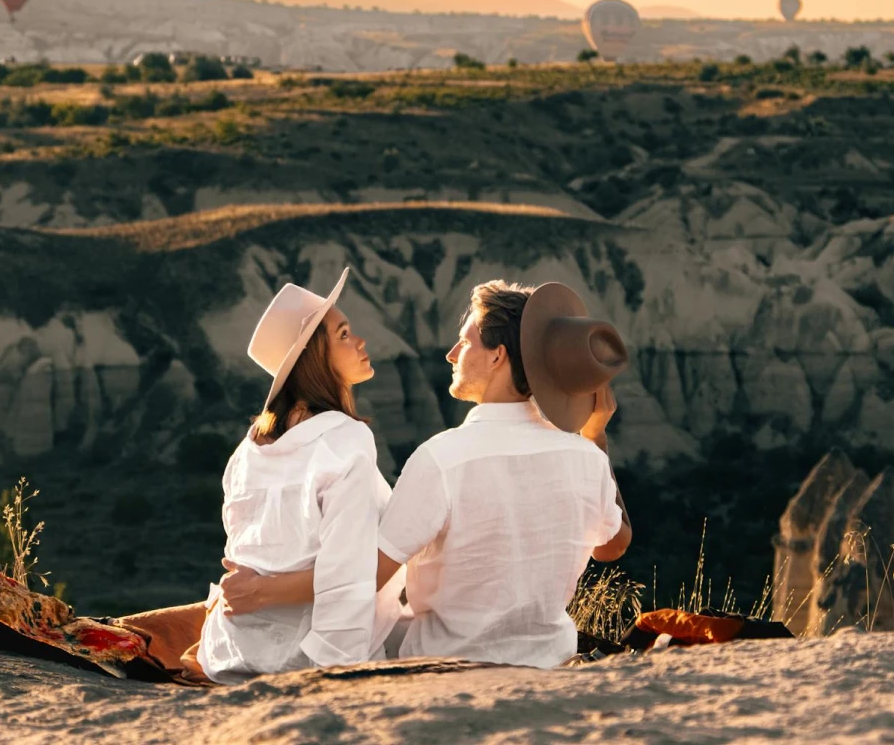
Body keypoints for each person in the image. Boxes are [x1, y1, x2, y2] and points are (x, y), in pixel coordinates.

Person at [120, 267, 403, 681]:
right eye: (343, 334)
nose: (360, 341)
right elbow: (346, 572)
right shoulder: (346, 439)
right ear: (313, 357)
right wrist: (337, 669)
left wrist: (264, 593)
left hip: (234, 648)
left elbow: (250, 563)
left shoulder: (248, 450)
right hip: (307, 653)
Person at [372, 279, 631, 667]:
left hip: (446, 672)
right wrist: (596, 437)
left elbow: (366, 578)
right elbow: (613, 546)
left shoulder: (441, 459)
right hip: (549, 666)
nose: (451, 353)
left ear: (497, 357)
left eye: (466, 341)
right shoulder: (585, 457)